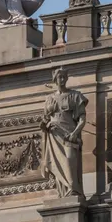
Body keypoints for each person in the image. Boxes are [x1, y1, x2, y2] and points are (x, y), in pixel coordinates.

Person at [40, 68, 88, 197]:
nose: (62, 79)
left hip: (69, 134)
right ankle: (64, 192)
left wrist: (75, 133)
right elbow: (45, 119)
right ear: (55, 80)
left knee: (70, 158)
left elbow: (82, 118)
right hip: (54, 134)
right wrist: (44, 125)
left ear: (67, 78)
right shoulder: (49, 99)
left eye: (64, 77)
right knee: (58, 162)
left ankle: (74, 188)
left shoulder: (75, 95)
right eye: (59, 77)